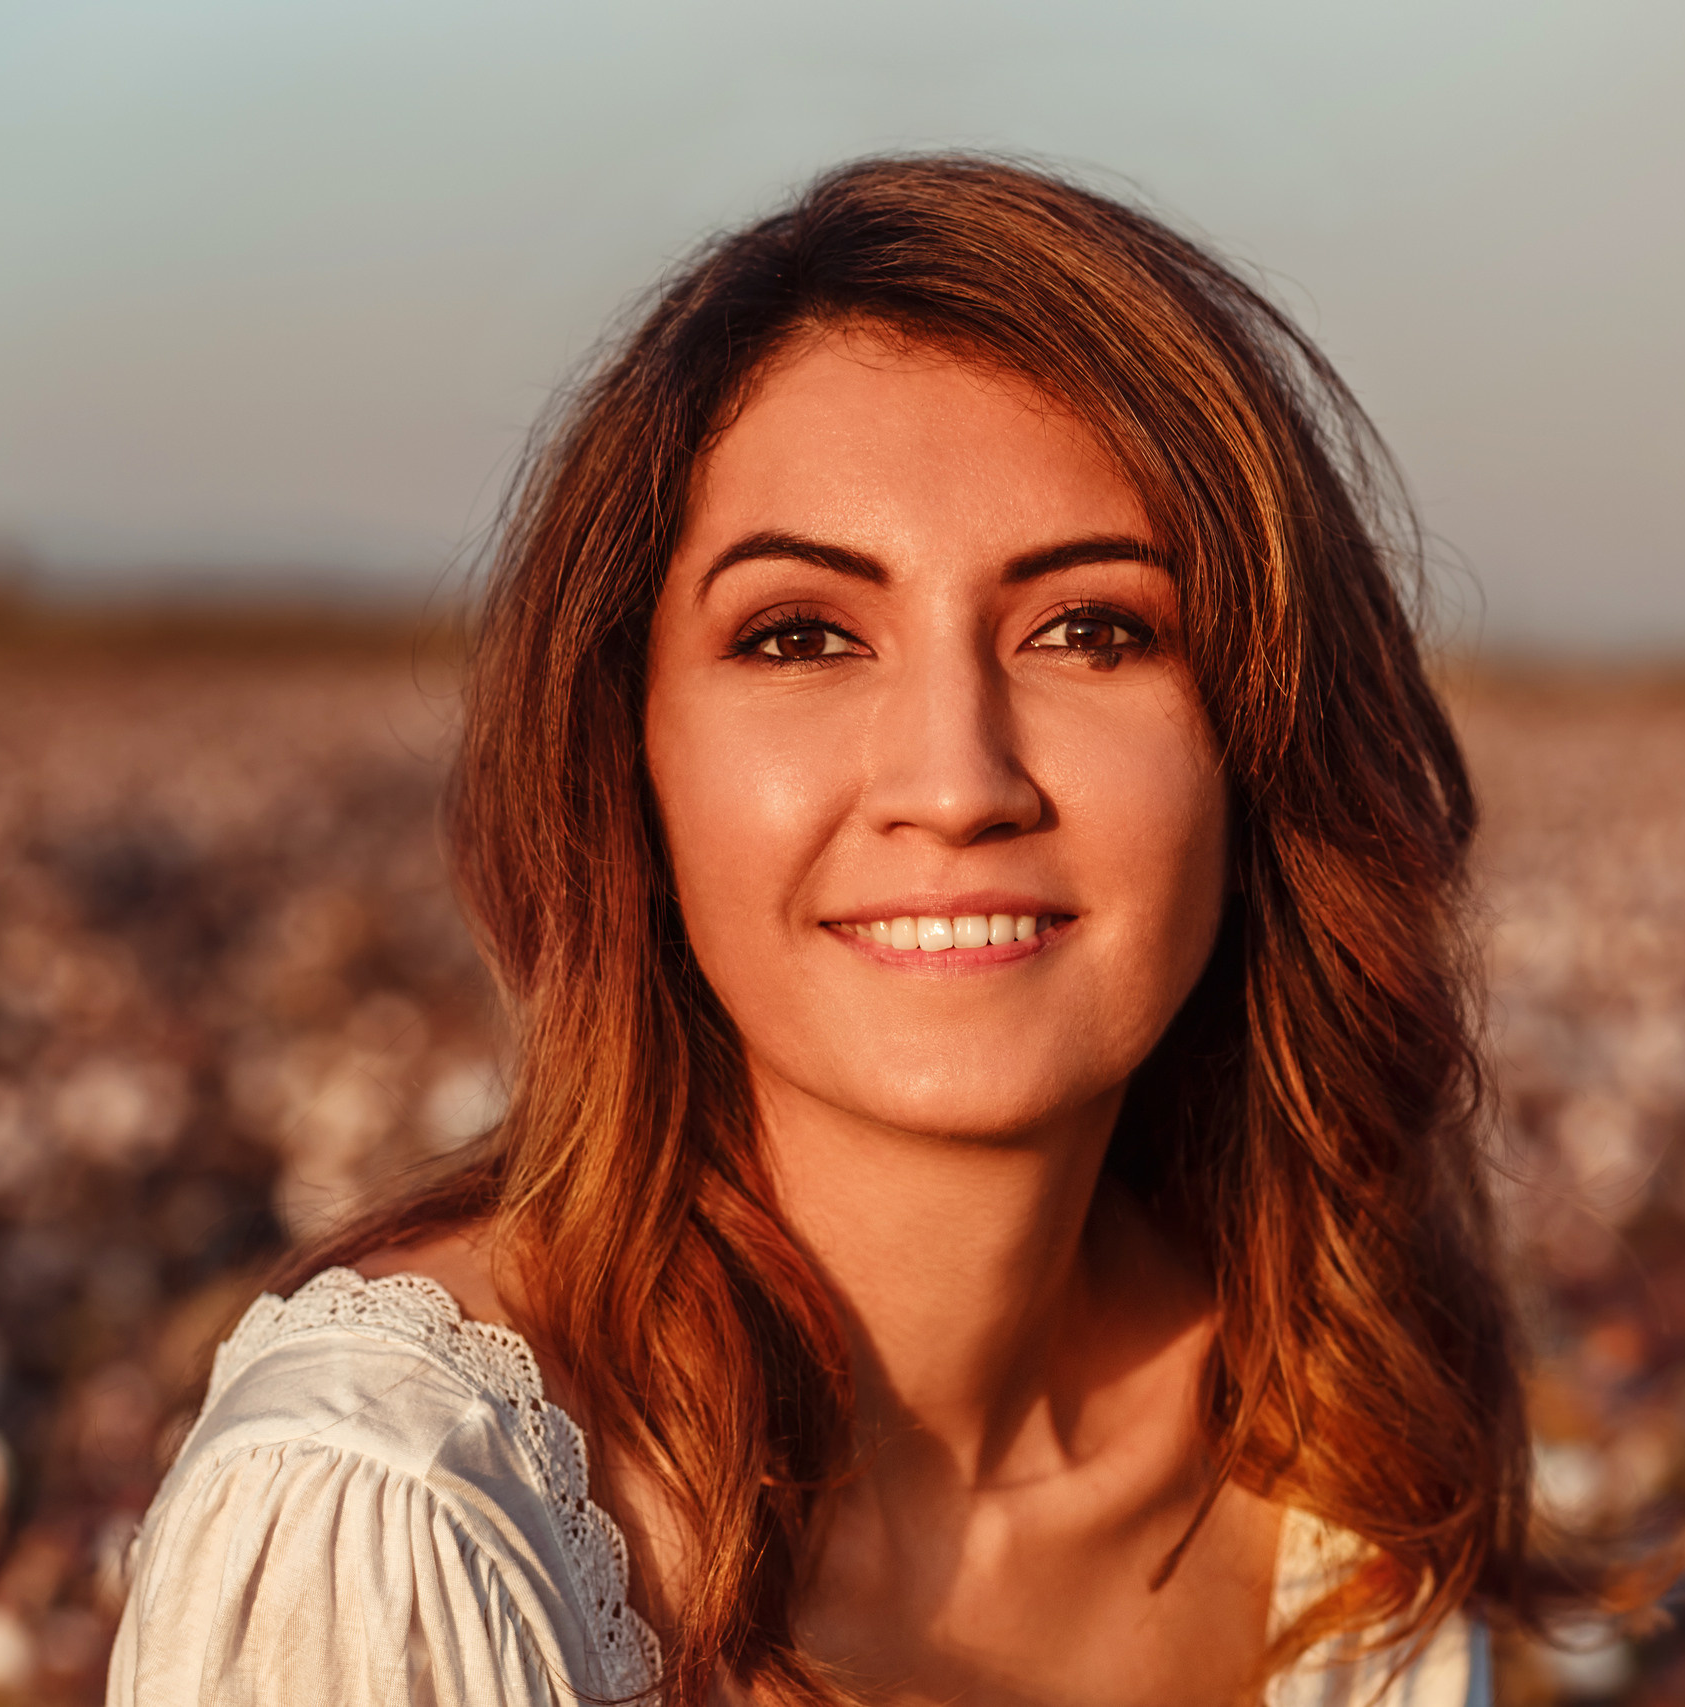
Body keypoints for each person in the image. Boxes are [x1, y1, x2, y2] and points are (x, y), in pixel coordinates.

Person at [107, 154, 1602, 1706]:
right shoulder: (397, 1519)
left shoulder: (1343, 1471)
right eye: (802, 635)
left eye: (1094, 630)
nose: (956, 783)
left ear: (1260, 745)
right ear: (631, 756)